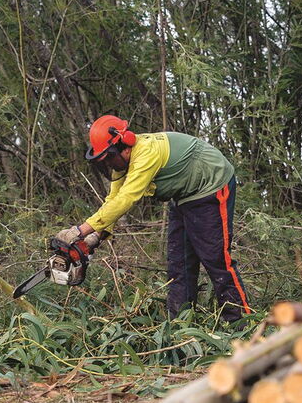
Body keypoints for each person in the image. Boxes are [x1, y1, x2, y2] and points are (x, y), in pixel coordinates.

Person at [55, 115, 251, 323]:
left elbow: (126, 198)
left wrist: (79, 231)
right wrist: (95, 235)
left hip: (210, 184)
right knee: (179, 264)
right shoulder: (122, 165)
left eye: (109, 158)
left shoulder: (145, 154)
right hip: (183, 195)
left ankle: (241, 323)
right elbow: (113, 200)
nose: (110, 164)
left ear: (126, 146)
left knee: (216, 259)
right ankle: (181, 325)